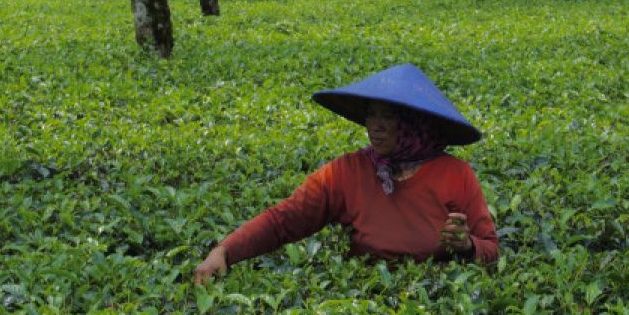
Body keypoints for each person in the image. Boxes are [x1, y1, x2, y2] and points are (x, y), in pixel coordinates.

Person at [193, 63, 499, 283]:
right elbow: (284, 219)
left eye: (388, 118)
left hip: (435, 302)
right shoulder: (347, 172)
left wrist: (467, 246)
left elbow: (490, 248)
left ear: (413, 124)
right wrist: (225, 251)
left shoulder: (456, 175)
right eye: (371, 115)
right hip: (364, 300)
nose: (374, 127)